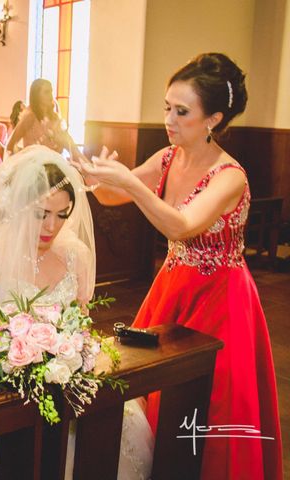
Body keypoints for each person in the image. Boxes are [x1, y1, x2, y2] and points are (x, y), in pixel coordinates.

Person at [76, 53, 283, 480]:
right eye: (167, 107)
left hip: (221, 298)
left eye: (181, 111)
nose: (169, 119)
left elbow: (183, 225)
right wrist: (95, 178)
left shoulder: (231, 176)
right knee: (153, 391)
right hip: (173, 285)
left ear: (214, 118)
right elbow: (117, 196)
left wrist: (130, 182)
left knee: (212, 401)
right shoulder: (169, 157)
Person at [0, 145, 153, 480]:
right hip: (4, 388)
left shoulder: (76, 256)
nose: (51, 226)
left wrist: (70, 353)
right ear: (19, 207)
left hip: (66, 383)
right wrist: (8, 358)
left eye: (62, 214)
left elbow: (81, 321)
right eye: (41, 213)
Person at [6, 79, 75, 156]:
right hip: (33, 164)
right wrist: (24, 155)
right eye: (46, 92)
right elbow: (10, 146)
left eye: (51, 91)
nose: (51, 96)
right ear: (37, 95)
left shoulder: (55, 118)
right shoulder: (29, 117)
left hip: (55, 163)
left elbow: (72, 148)